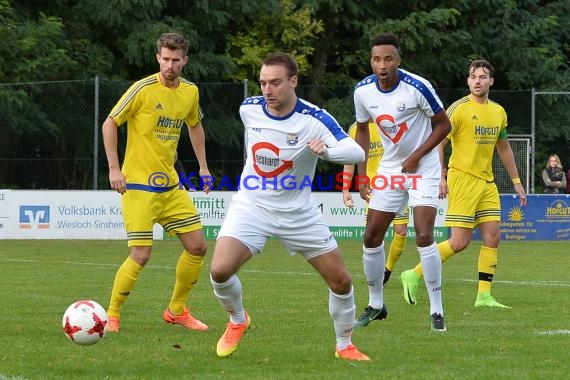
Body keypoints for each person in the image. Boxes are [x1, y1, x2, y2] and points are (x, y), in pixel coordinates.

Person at [209, 52, 370, 361]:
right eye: (263, 83)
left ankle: (344, 345)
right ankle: (238, 320)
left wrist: (326, 153)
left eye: (276, 83)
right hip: (252, 206)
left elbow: (355, 151)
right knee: (219, 270)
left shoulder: (314, 118)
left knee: (341, 281)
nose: (268, 90)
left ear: (293, 81)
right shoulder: (248, 109)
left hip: (299, 213)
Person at [101, 32, 212, 333]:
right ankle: (112, 315)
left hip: (171, 186)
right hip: (137, 186)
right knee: (141, 253)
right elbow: (110, 123)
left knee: (198, 246)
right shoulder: (142, 89)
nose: (170, 65)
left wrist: (203, 167)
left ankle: (176, 311)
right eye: (165, 59)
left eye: (176, 60)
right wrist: (114, 169)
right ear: (158, 58)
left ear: (185, 60)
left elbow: (195, 125)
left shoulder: (190, 92)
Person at [400, 59, 527, 309]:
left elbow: (503, 147)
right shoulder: (458, 109)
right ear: (468, 81)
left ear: (491, 81)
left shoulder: (499, 112)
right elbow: (438, 142)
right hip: (463, 179)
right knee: (459, 242)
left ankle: (484, 296)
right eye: (472, 77)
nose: (477, 81)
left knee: (493, 236)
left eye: (482, 77)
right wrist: (441, 176)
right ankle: (413, 274)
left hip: (487, 182)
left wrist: (517, 181)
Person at [353, 33, 451, 332]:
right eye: (376, 59)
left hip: (424, 168)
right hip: (391, 169)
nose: (382, 65)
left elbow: (444, 124)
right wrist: (360, 175)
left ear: (398, 60)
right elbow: (362, 130)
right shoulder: (362, 91)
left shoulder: (417, 86)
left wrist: (417, 156)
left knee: (423, 235)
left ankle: (436, 310)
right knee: (371, 237)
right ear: (371, 61)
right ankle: (375, 304)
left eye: (388, 59)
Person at [341, 121, 409, 290]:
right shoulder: (355, 128)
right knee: (373, 236)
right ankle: (374, 275)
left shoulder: (389, 121)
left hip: (395, 183)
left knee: (401, 232)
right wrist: (345, 189)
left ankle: (387, 271)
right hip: (372, 189)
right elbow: (350, 160)